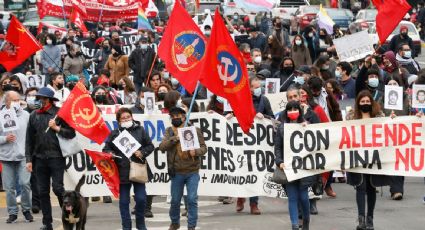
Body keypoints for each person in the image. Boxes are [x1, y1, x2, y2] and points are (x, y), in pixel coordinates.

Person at [25, 87, 76, 230]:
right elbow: (29, 139)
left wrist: (57, 128)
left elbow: (71, 134)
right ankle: (47, 223)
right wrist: (29, 159)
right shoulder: (33, 115)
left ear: (49, 100)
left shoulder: (59, 114)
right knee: (42, 191)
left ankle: (68, 216)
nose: (39, 101)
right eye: (38, 98)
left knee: (58, 188)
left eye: (42, 98)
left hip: (56, 157)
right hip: (39, 158)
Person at [346, 90, 391, 230]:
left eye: (367, 101)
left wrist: (393, 120)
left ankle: (370, 218)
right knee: (360, 187)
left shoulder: (379, 115)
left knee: (371, 188)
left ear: (371, 102)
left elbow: (389, 130)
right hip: (358, 158)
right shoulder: (351, 117)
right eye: (362, 101)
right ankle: (361, 220)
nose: (365, 104)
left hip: (374, 158)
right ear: (358, 103)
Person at [103, 108, 154, 230]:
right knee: (124, 202)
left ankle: (141, 224)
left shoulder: (140, 130)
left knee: (141, 199)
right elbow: (106, 149)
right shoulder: (115, 133)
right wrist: (110, 153)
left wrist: (142, 152)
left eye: (128, 117)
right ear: (119, 121)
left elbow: (150, 146)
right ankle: (126, 226)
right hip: (122, 171)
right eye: (123, 118)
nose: (126, 119)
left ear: (132, 117)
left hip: (138, 169)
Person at [159, 107, 207, 230]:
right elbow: (162, 147)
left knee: (192, 199)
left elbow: (204, 148)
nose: (175, 118)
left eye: (178, 116)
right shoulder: (169, 131)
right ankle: (175, 222)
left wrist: (195, 152)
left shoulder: (194, 130)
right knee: (175, 200)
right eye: (173, 117)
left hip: (192, 171)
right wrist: (175, 139)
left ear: (184, 117)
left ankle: (191, 225)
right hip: (176, 172)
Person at [275, 100, 316, 230]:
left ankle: (306, 220)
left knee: (303, 197)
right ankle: (294, 224)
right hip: (288, 168)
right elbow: (278, 148)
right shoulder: (281, 128)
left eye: (295, 109)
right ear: (286, 112)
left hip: (304, 168)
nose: (293, 112)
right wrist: (279, 162)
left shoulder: (306, 126)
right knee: (292, 197)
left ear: (300, 111)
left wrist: (308, 126)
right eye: (290, 109)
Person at [0, 91, 33, 224]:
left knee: (25, 184)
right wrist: (4, 138)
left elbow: (31, 136)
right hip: (6, 157)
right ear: (6, 101)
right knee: (9, 188)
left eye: (18, 100)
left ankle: (26, 210)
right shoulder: (1, 116)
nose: (17, 102)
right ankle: (12, 212)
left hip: (23, 156)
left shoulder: (26, 115)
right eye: (14, 100)